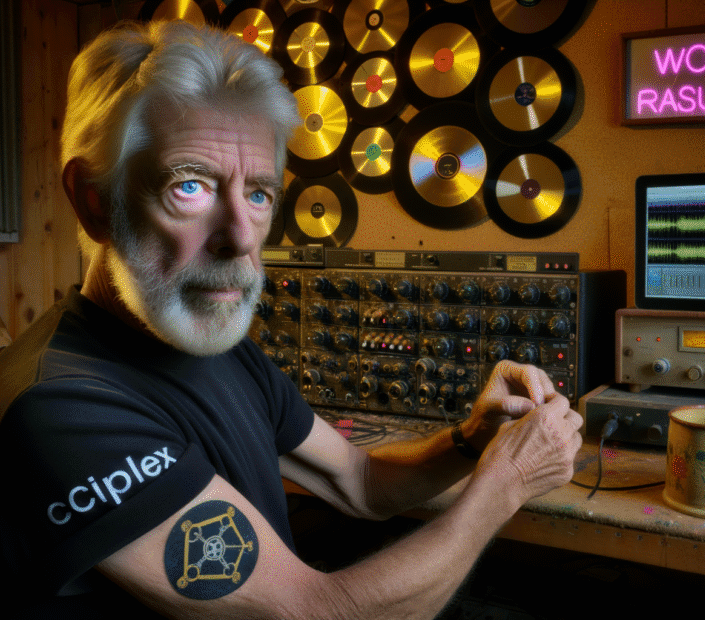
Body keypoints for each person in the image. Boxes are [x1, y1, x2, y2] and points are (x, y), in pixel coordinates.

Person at [0, 19, 583, 619]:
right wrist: (508, 480)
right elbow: (319, 614)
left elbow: (359, 481)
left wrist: (470, 440)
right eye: (191, 186)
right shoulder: (59, 407)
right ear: (96, 201)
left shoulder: (213, 344)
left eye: (258, 194)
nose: (240, 239)